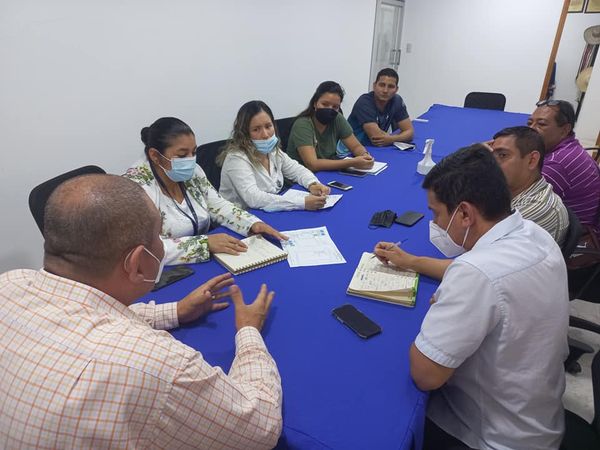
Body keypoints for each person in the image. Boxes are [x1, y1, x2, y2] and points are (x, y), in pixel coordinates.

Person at [0, 174, 282, 448]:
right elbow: (261, 426)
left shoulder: (10, 282)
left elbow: (84, 311)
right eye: (158, 237)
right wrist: (249, 332)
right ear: (137, 263)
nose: (161, 246)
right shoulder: (160, 364)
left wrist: (175, 311)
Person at [375, 145, 569, 449]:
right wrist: (412, 262)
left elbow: (426, 376)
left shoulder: (475, 274)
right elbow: (482, 273)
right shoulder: (534, 234)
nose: (435, 225)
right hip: (538, 417)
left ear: (465, 213)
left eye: (437, 214)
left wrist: (445, 303)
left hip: (489, 436)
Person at [124, 117, 286, 266]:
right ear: (155, 155)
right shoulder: (135, 189)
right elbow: (145, 250)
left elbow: (217, 205)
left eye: (194, 152)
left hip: (206, 260)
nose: (190, 160)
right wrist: (204, 244)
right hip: (162, 273)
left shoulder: (193, 171)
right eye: (182, 155)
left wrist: (252, 224)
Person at [218, 100, 331, 211]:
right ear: (244, 133)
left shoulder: (273, 151)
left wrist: (312, 183)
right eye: (256, 129)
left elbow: (297, 170)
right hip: (242, 216)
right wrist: (302, 203)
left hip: (270, 210)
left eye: (268, 126)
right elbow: (253, 198)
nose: (265, 135)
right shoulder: (236, 158)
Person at [528, 99, 600, 237]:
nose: (531, 129)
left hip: (572, 240)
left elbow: (517, 202)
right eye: (529, 123)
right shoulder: (570, 147)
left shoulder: (557, 164)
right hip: (579, 227)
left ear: (565, 129)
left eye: (541, 124)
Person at [491, 126, 569, 246]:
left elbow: (477, 240)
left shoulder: (538, 207)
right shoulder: (511, 190)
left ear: (532, 160)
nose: (491, 163)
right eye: (491, 156)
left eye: (502, 155)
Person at [286, 81, 375, 171]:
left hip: (327, 171)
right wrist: (352, 162)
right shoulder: (302, 124)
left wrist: (364, 155)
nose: (329, 109)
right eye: (325, 104)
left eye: (335, 107)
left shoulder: (337, 118)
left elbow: (356, 146)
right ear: (315, 103)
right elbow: (312, 164)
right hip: (301, 176)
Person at [347, 67, 414, 147]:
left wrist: (390, 139)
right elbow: (377, 139)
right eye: (382, 85)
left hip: (374, 148)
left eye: (390, 86)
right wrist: (397, 138)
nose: (385, 90)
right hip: (350, 150)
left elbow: (409, 132)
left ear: (396, 89)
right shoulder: (364, 102)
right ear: (374, 86)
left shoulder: (397, 100)